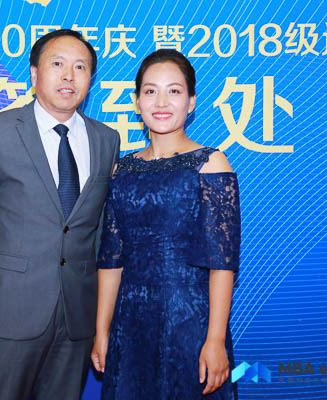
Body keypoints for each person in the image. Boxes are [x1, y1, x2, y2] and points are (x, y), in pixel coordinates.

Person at [0, 29, 120, 400]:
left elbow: (97, 234)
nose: (69, 76)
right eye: (57, 64)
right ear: (34, 73)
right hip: (10, 314)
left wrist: (101, 321)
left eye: (80, 67)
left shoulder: (107, 140)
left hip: (77, 319)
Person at [91, 49, 240, 399]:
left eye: (174, 91)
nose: (161, 102)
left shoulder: (211, 164)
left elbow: (222, 263)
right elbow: (112, 259)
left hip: (189, 322)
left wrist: (215, 339)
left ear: (191, 102)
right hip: (130, 325)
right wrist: (102, 329)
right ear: (136, 101)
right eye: (150, 91)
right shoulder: (122, 169)